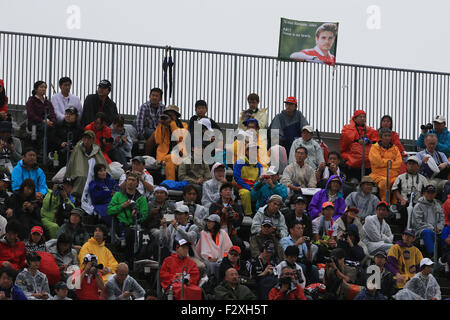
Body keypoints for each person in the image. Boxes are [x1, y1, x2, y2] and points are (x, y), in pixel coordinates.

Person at [107, 172, 148, 265]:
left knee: (146, 236)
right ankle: (128, 259)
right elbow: (109, 210)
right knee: (129, 233)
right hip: (121, 225)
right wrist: (121, 206)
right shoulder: (118, 195)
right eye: (128, 180)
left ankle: (136, 260)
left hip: (136, 225)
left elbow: (144, 215)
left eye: (133, 180)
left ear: (137, 183)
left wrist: (137, 215)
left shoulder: (141, 198)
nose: (130, 182)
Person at [64, 130, 110, 199]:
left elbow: (102, 162)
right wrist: (67, 176)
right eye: (84, 138)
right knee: (82, 177)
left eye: (88, 138)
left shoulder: (96, 149)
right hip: (80, 172)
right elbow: (72, 162)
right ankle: (77, 197)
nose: (86, 140)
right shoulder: (78, 148)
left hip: (94, 171)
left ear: (92, 140)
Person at [339, 110, 379, 180]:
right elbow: (345, 145)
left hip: (368, 165)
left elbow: (376, 142)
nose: (363, 118)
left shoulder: (371, 130)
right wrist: (357, 142)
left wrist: (369, 142)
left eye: (364, 117)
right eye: (360, 117)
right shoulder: (348, 129)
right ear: (355, 118)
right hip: (353, 164)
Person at [391, 156, 429, 229]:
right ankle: (403, 233)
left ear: (418, 166)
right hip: (404, 202)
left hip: (418, 202)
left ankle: (417, 231)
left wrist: (421, 199)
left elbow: (426, 190)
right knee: (402, 210)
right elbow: (395, 190)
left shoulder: (423, 178)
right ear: (406, 165)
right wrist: (402, 199)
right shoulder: (400, 177)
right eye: (409, 164)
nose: (411, 166)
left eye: (413, 164)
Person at [154, 105, 189, 181]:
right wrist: (160, 125)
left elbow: (179, 138)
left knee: (170, 158)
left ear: (176, 116)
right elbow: (158, 140)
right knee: (169, 158)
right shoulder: (163, 126)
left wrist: (172, 123)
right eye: (168, 115)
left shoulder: (184, 125)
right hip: (163, 155)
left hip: (180, 156)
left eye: (171, 115)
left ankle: (170, 182)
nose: (169, 117)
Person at [369, 127, 403, 203]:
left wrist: (384, 162)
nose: (387, 138)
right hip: (377, 175)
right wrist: (390, 161)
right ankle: (385, 203)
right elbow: (377, 162)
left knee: (398, 181)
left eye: (389, 136)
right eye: (385, 136)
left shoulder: (395, 148)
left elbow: (398, 163)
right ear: (381, 137)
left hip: (393, 175)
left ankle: (395, 203)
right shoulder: (374, 147)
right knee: (384, 182)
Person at [410, 184, 445, 257]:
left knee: (446, 232)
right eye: (428, 192)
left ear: (435, 194)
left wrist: (439, 227)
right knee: (427, 232)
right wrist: (432, 228)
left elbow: (442, 219)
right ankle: (432, 255)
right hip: (421, 230)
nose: (430, 194)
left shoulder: (437, 205)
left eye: (432, 193)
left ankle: (444, 257)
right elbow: (417, 223)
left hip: (437, 230)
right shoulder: (418, 206)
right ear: (424, 193)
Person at [209, 183, 244, 247]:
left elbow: (239, 222)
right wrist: (221, 213)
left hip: (231, 232)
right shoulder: (214, 205)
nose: (228, 192)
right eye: (225, 190)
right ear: (220, 193)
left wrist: (235, 217)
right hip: (217, 232)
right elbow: (211, 222)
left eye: (230, 190)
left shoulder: (236, 206)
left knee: (239, 243)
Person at [233, 143, 263, 216]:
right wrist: (248, 187)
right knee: (246, 193)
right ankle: (248, 214)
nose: (254, 152)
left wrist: (256, 187)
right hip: (241, 186)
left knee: (264, 191)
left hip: (254, 186)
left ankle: (261, 213)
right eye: (252, 150)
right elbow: (237, 178)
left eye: (255, 151)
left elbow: (260, 179)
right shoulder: (239, 162)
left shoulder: (259, 165)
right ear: (246, 152)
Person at [25, 81, 56, 150]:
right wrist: (43, 121)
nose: (44, 89)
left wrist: (52, 121)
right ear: (36, 89)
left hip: (47, 123)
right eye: (41, 87)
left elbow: (52, 114)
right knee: (45, 129)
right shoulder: (31, 101)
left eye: (45, 87)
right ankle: (42, 150)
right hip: (35, 123)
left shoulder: (47, 102)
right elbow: (31, 115)